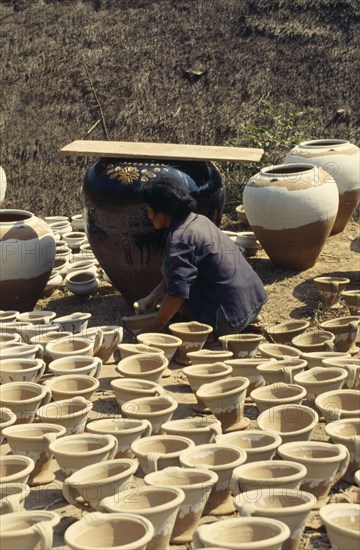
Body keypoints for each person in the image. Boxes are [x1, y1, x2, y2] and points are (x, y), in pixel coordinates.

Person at [134, 175, 268, 337]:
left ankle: (208, 333)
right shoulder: (199, 220)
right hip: (255, 302)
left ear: (162, 212)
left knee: (173, 276)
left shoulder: (179, 239)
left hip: (227, 319)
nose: (148, 216)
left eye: (149, 210)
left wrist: (154, 326)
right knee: (169, 266)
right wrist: (155, 295)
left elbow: (177, 292)